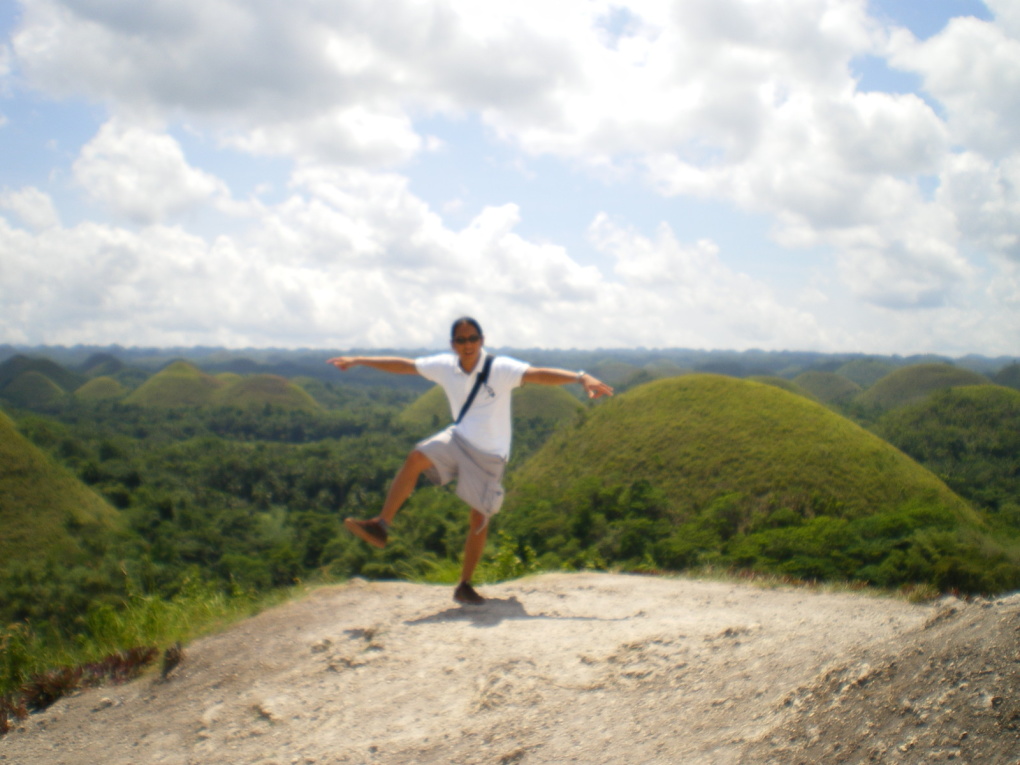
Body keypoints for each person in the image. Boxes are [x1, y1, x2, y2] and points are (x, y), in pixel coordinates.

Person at [327, 317, 614, 605]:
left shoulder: (499, 369)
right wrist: (358, 360)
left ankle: (464, 584)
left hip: (490, 455)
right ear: (453, 344)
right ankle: (381, 525)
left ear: (482, 340)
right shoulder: (445, 366)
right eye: (461, 340)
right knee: (416, 457)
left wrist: (580, 377)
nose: (468, 345)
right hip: (459, 439)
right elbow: (404, 365)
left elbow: (538, 374)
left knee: (479, 518)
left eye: (473, 338)